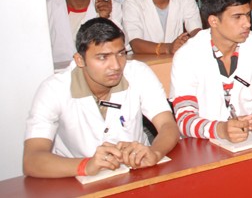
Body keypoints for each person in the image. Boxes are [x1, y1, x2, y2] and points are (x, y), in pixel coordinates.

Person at [23, 18, 179, 178]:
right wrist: (85, 165)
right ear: (80, 60)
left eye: (121, 54)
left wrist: (154, 152)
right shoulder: (54, 89)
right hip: (75, 180)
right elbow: (32, 159)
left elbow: (168, 125)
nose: (116, 66)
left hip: (137, 174)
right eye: (103, 57)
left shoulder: (139, 73)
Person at [171, 0, 252, 141]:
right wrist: (220, 130)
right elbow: (184, 118)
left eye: (247, 15)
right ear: (213, 21)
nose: (247, 23)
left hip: (251, 138)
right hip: (204, 141)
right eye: (237, 17)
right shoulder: (187, 55)